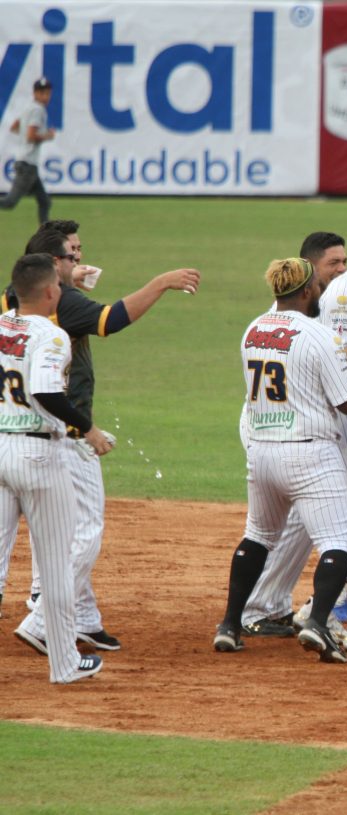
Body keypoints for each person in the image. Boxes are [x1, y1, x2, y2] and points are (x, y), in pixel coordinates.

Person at [1, 227, 199, 652]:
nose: (79, 259)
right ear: (53, 267)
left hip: (11, 429)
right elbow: (112, 320)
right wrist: (161, 282)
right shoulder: (66, 305)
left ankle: (83, 617)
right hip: (63, 430)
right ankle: (42, 616)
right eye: (72, 255)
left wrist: (67, 281)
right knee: (84, 530)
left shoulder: (12, 299)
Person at [239, 231, 347, 638]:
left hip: (298, 418)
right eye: (332, 264)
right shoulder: (334, 300)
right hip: (296, 421)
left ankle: (267, 604)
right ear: (308, 273)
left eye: (341, 262)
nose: (340, 270)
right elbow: (340, 363)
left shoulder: (344, 297)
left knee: (305, 519)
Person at [213, 258, 347, 662]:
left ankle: (229, 624)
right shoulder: (319, 335)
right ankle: (318, 623)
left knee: (257, 536)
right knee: (339, 540)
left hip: (261, 451)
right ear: (309, 290)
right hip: (309, 451)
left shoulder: (253, 329)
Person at [2, 253, 111, 682]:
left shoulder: (2, 323)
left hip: (0, 446)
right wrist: (90, 429)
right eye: (60, 287)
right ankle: (64, 665)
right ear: (50, 291)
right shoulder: (52, 334)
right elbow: (48, 392)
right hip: (37, 455)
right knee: (56, 564)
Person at [0, 78, 54, 225]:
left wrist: (25, 135)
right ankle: (46, 234)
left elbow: (14, 126)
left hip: (27, 163)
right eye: (43, 93)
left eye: (48, 93)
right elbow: (31, 136)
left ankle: (46, 234)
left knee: (44, 201)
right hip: (27, 165)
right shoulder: (38, 109)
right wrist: (47, 136)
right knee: (9, 202)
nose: (46, 97)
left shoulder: (28, 108)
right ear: (35, 93)